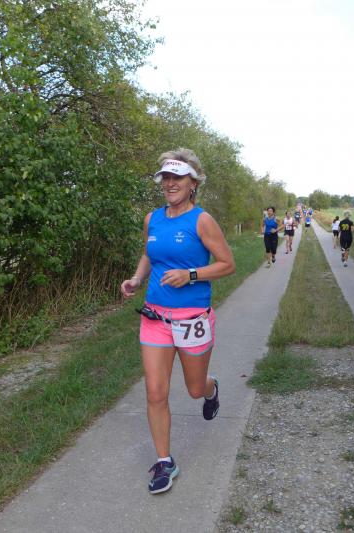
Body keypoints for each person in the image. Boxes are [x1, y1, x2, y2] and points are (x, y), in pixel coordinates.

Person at [120, 148, 235, 495]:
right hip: (155, 317)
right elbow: (149, 254)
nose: (170, 184)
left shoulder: (202, 220)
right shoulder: (152, 218)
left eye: (177, 178)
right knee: (155, 392)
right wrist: (136, 279)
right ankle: (164, 461)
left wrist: (191, 274)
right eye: (165, 178)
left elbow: (227, 264)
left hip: (192, 319)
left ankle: (211, 389)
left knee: (194, 388)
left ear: (193, 183)